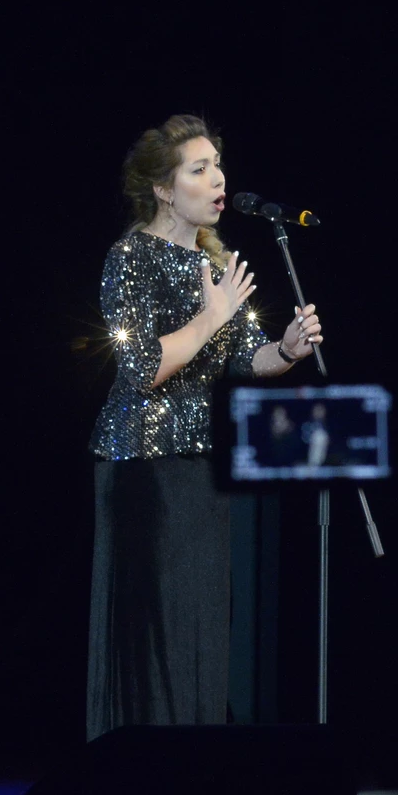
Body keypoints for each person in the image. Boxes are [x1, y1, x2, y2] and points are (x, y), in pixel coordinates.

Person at [86, 114, 323, 740]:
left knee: (201, 625)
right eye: (200, 169)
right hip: (144, 471)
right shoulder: (130, 257)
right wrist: (211, 316)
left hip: (201, 468)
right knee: (157, 631)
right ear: (164, 189)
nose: (219, 179)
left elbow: (247, 359)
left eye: (217, 165)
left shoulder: (213, 263)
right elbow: (142, 368)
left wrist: (288, 349)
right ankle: (143, 769)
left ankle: (194, 768)